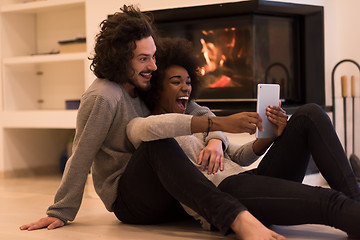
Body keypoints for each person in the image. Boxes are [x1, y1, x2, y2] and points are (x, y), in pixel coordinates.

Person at [19, 5, 233, 235]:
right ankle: (229, 216)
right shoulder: (103, 97)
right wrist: (60, 211)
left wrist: (215, 141)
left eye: (153, 57)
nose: (153, 66)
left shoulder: (146, 83)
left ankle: (240, 210)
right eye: (143, 59)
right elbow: (81, 155)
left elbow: (202, 114)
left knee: (239, 190)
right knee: (157, 142)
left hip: (166, 187)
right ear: (120, 59)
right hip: (131, 202)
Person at [127, 37, 360, 239]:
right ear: (156, 89)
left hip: (247, 180)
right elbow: (143, 130)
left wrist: (269, 137)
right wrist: (218, 125)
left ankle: (356, 202)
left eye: (188, 82)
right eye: (176, 82)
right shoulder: (149, 129)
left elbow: (239, 157)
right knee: (328, 201)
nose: (186, 88)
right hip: (228, 196)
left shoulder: (197, 124)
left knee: (310, 114)